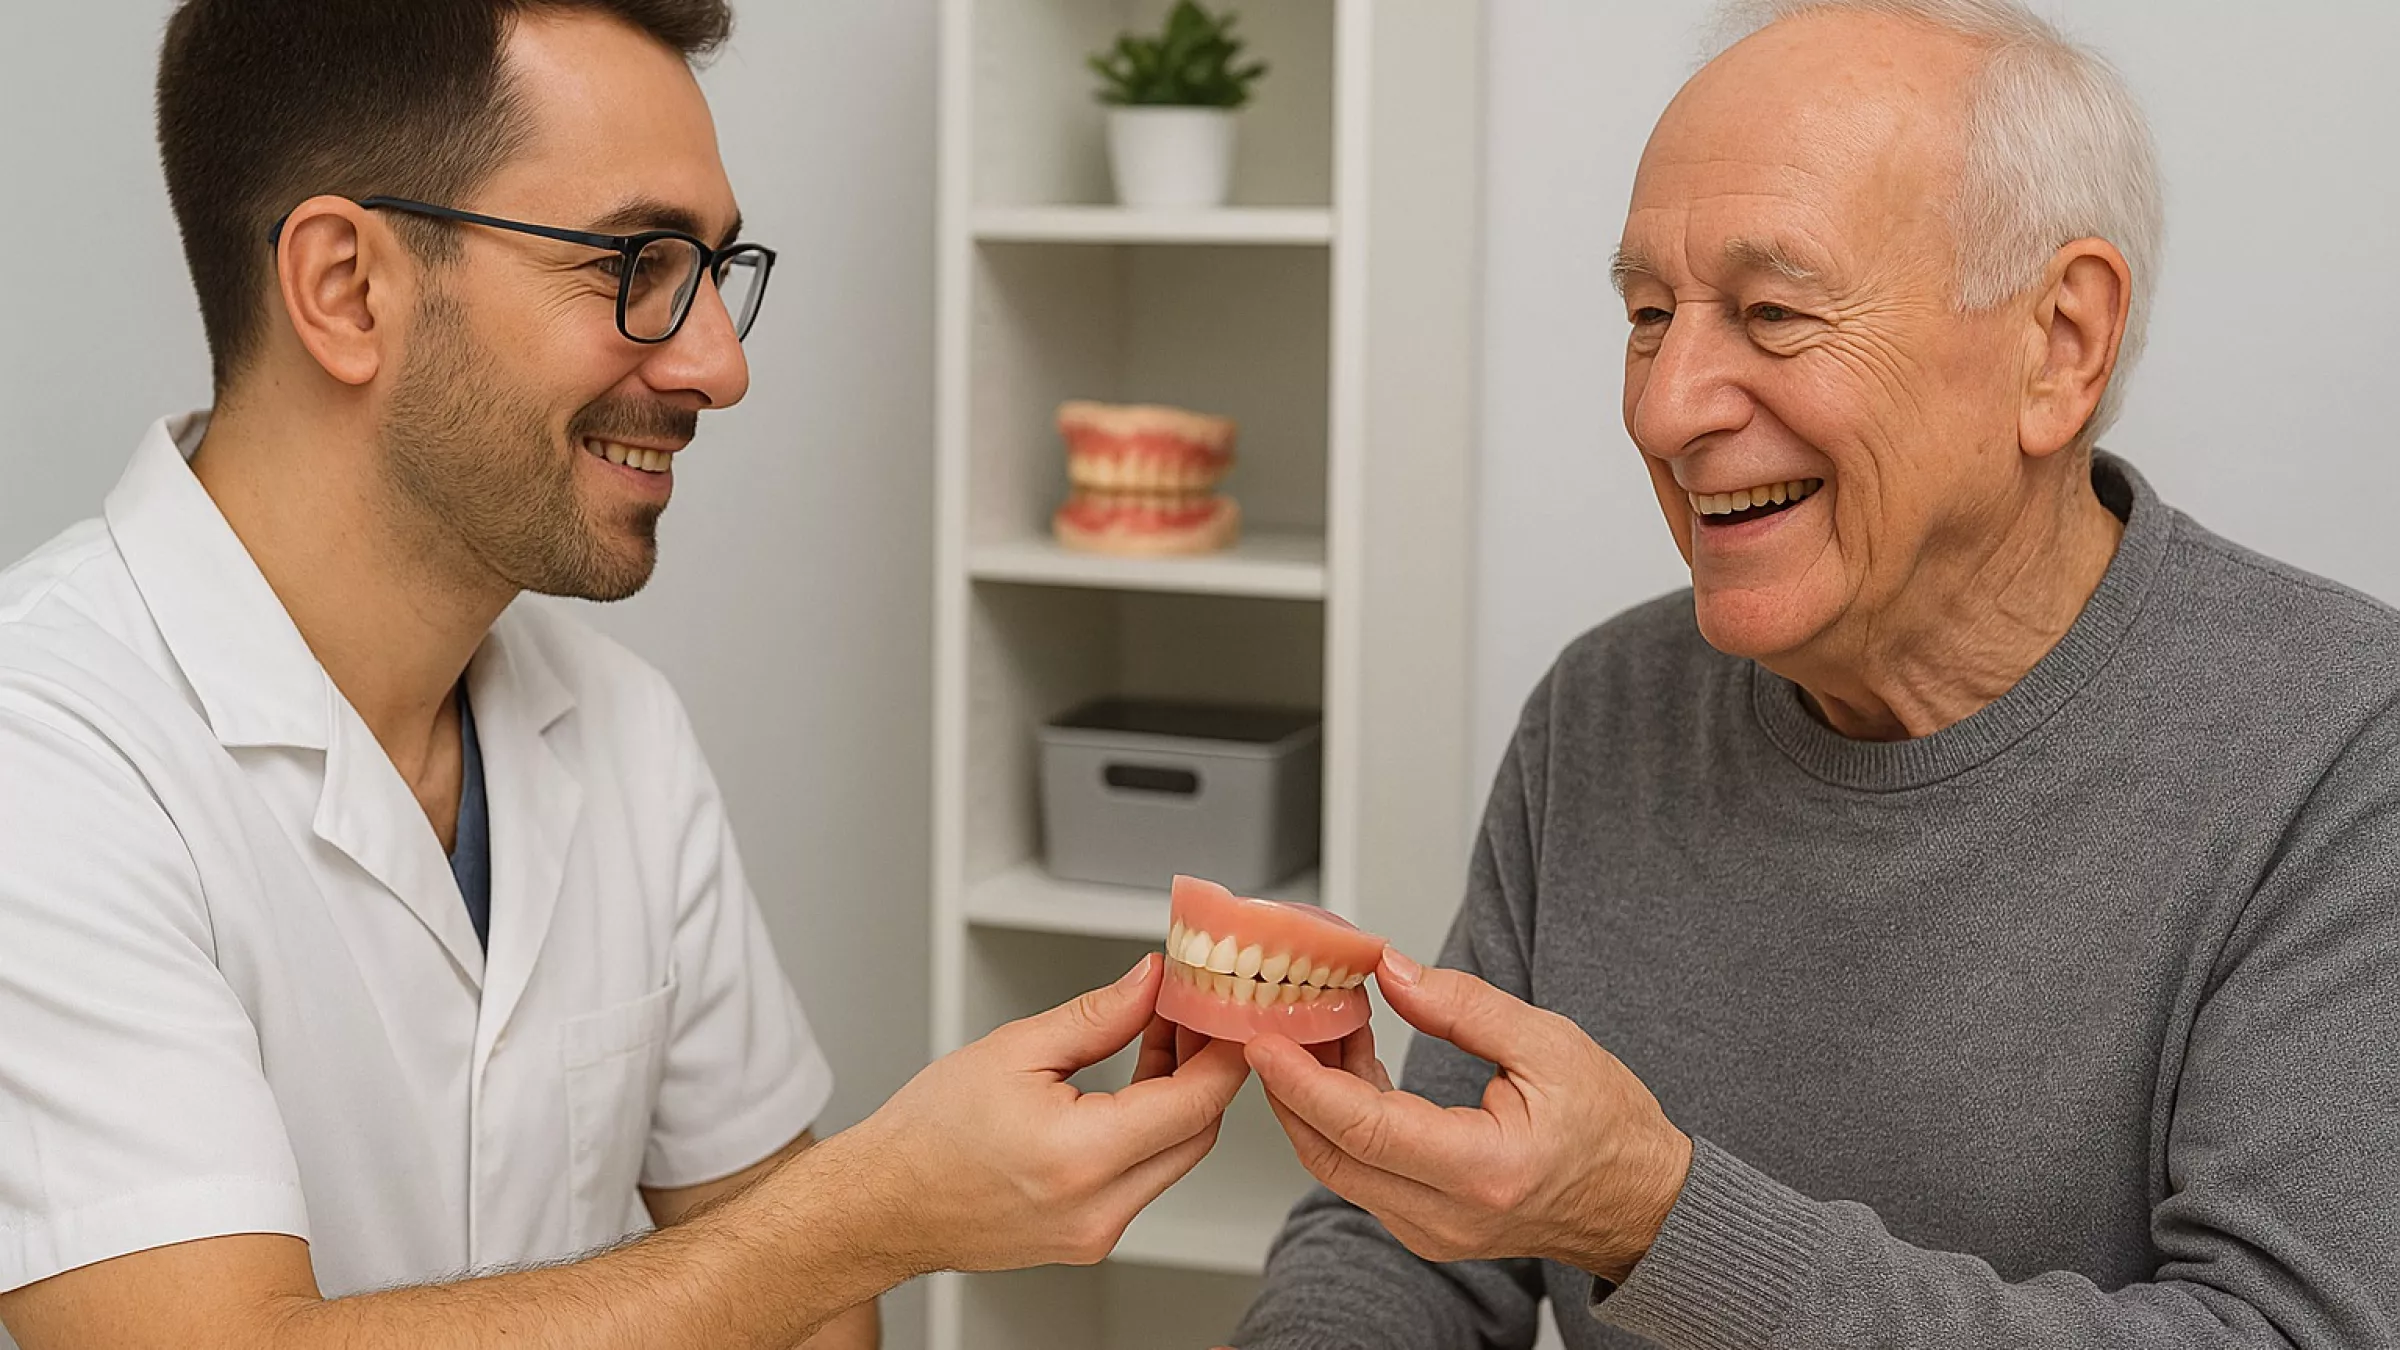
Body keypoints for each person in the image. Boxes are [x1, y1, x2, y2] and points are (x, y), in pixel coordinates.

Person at [0, 4, 1248, 1348]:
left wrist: (838, 1228)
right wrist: (874, 1204)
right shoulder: (49, 746)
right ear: (346, 287)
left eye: (718, 269)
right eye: (639, 262)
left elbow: (819, 1322)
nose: (721, 362)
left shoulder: (621, 731)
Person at [1226, 1, 2400, 1347]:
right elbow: (1414, 1235)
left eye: (1774, 312)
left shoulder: (2348, 748)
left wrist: (1659, 1220)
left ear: (2059, 344)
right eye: (1650, 314)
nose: (1667, 408)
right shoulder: (1600, 712)